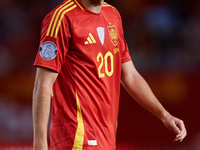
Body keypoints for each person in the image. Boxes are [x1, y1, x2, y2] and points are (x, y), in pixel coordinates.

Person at [32, 0, 187, 149]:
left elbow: (130, 75)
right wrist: (40, 145)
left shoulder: (113, 15)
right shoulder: (61, 18)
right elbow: (43, 83)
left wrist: (164, 115)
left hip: (107, 137)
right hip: (76, 137)